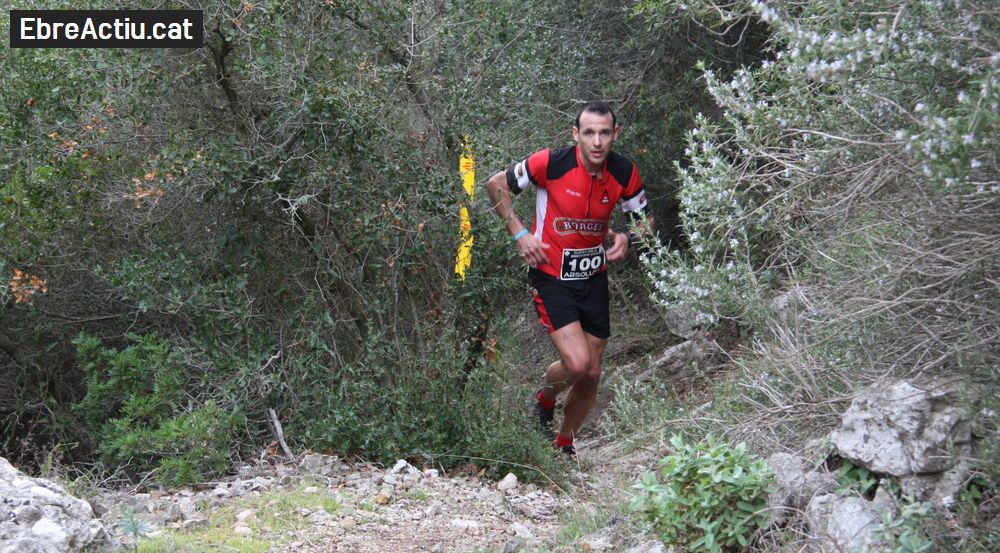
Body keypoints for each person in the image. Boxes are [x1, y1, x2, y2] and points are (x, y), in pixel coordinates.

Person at [486, 101, 652, 454]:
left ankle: (564, 446)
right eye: (589, 133)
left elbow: (645, 221)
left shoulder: (624, 172)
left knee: (591, 372)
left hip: (594, 278)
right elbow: (496, 184)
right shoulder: (551, 163)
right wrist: (520, 234)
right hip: (551, 276)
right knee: (577, 363)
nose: (597, 142)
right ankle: (544, 400)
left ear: (615, 134)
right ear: (576, 134)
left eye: (604, 133)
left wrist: (628, 237)